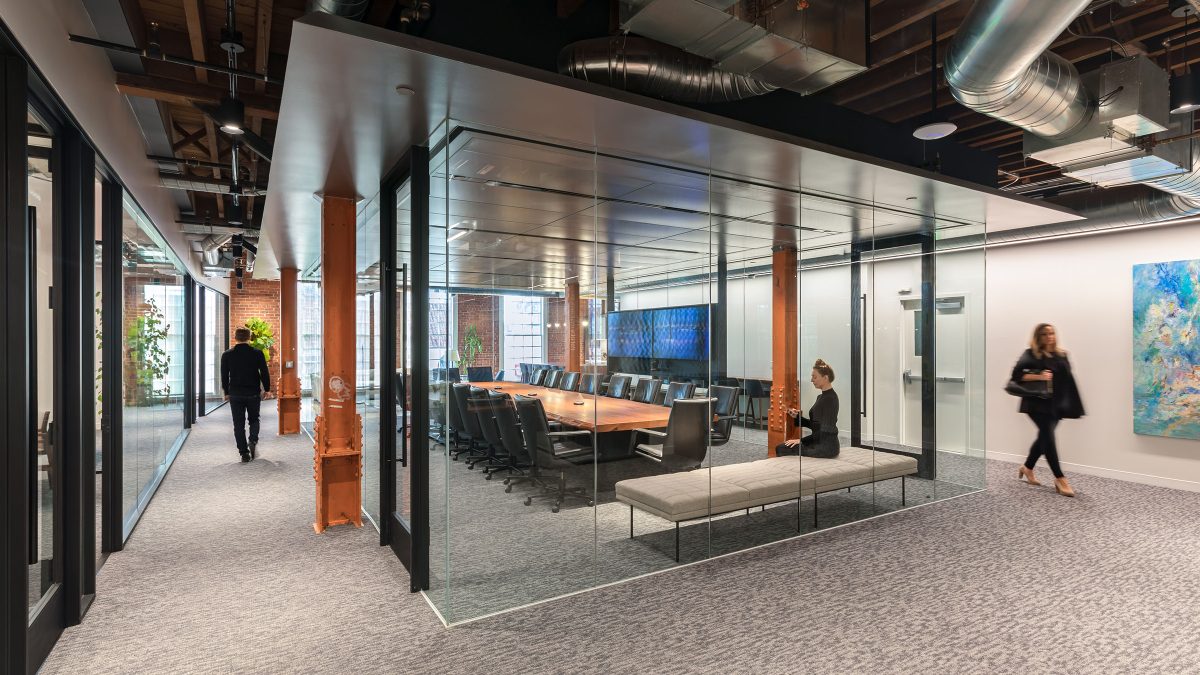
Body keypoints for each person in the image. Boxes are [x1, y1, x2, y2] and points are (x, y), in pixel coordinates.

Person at [1012, 323, 1084, 497]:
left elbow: (1067, 380)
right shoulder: (1031, 354)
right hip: (1036, 403)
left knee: (1044, 436)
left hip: (1056, 404)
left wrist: (1069, 403)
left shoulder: (1062, 354)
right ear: (1038, 337)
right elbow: (1016, 376)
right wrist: (1039, 376)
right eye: (1044, 334)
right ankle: (1060, 478)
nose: (1049, 336)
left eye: (1051, 333)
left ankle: (1027, 467)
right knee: (1048, 437)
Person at [221, 327, 272, 462]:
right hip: (253, 393)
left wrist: (226, 392)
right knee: (254, 419)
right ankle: (253, 440)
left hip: (236, 394)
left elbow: (224, 375)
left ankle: (244, 453)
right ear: (250, 338)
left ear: (235, 338)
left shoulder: (227, 355)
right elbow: (264, 373)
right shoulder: (257, 353)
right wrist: (267, 389)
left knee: (238, 424)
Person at [776, 359, 840, 458]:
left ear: (826, 378)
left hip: (826, 447)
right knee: (782, 447)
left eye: (814, 377)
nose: (811, 380)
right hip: (819, 442)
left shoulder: (830, 399)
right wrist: (797, 417)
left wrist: (801, 440)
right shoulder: (822, 397)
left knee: (781, 448)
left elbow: (826, 432)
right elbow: (816, 426)